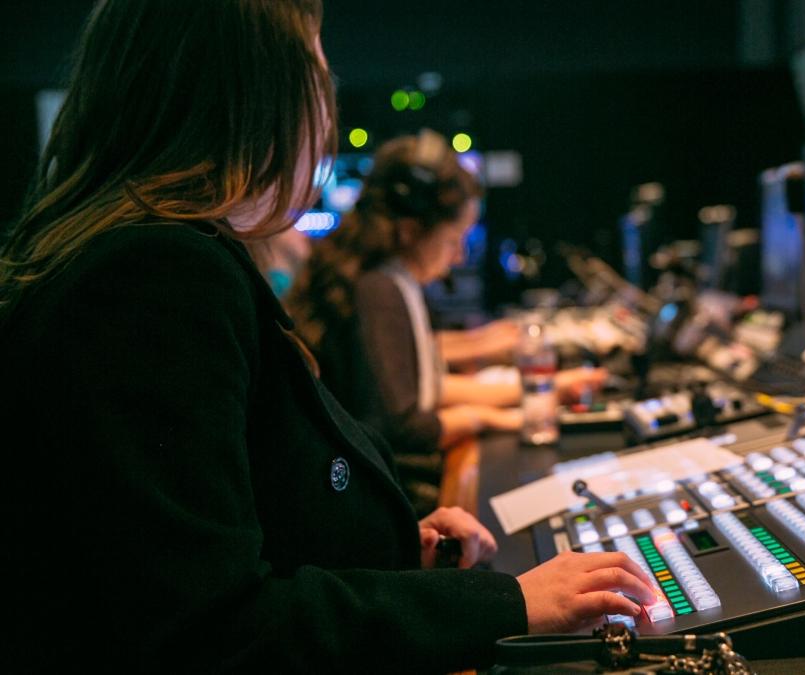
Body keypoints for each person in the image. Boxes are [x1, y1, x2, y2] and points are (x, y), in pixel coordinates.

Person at [0, 1, 653, 672]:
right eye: (317, 68)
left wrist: (386, 549)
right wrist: (505, 603)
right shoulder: (155, 275)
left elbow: (208, 533)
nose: (327, 101)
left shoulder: (136, 258)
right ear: (256, 93)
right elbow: (216, 629)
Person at [288, 131, 605, 460]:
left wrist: (548, 389)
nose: (459, 257)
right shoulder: (379, 288)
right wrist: (490, 418)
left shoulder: (386, 279)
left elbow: (425, 390)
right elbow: (403, 427)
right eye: (453, 241)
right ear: (409, 230)